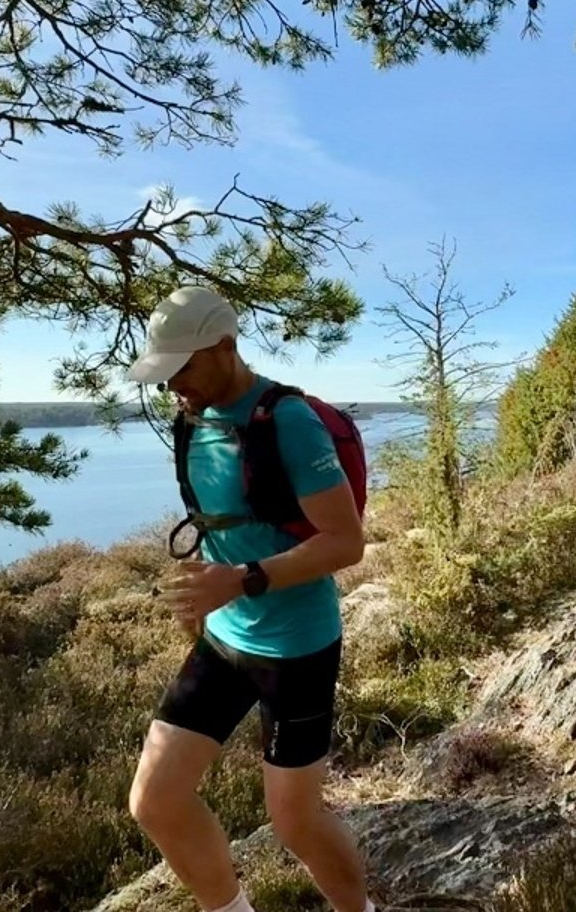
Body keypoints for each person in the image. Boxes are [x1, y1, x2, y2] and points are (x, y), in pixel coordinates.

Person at [124, 286, 375, 912]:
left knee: (294, 821)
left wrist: (239, 579)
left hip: (296, 647)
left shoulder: (286, 420)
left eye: (182, 367)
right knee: (154, 800)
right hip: (224, 637)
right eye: (164, 371)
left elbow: (345, 543)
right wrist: (210, 592)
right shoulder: (193, 419)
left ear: (226, 347)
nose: (171, 385)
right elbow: (228, 526)